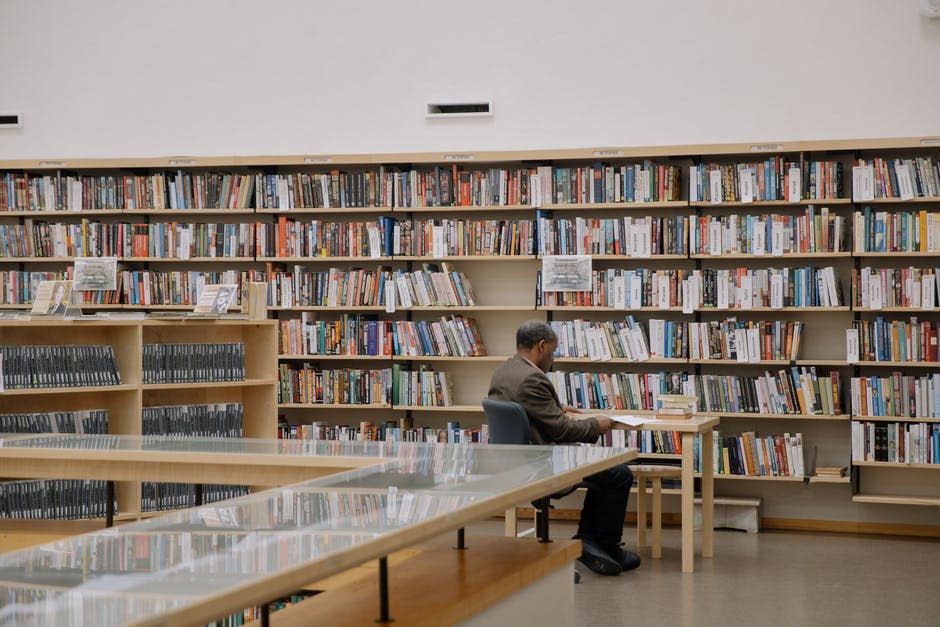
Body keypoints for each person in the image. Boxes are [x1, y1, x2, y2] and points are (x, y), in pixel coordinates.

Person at [487, 320, 640, 576]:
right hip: (541, 462)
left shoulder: (505, 370)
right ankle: (603, 544)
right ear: (542, 345)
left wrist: (557, 410)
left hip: (515, 459)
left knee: (606, 472)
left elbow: (528, 409)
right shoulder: (533, 378)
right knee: (618, 473)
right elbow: (562, 431)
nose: (552, 357)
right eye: (553, 351)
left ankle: (589, 539)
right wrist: (597, 424)